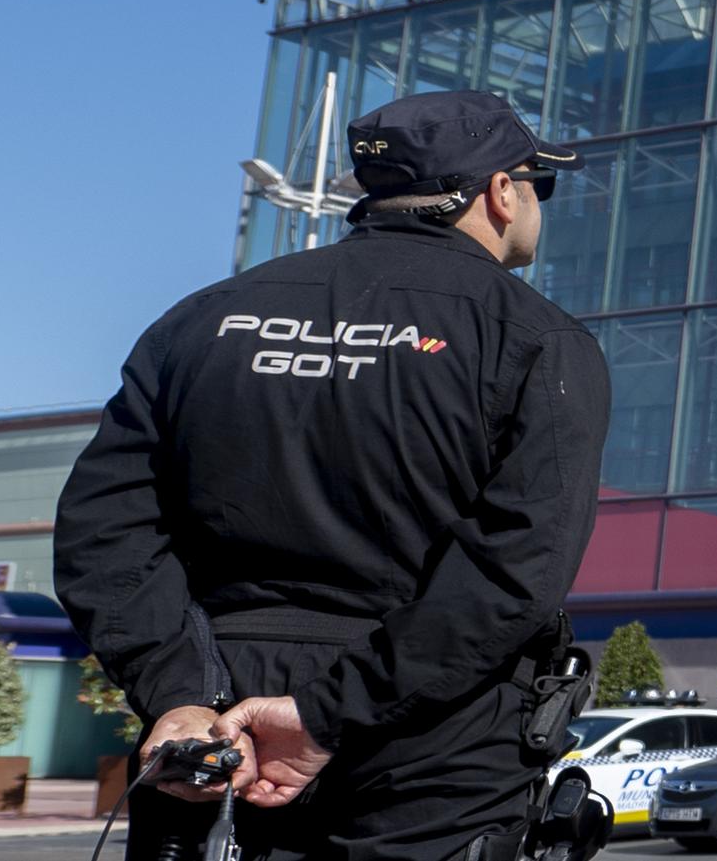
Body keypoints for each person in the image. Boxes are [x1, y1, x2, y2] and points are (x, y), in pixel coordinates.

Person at [54, 89, 612, 861]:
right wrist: (325, 712)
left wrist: (179, 693)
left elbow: (102, 528)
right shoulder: (537, 340)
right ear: (499, 191)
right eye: (537, 184)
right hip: (432, 743)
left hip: (219, 725)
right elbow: (515, 571)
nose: (537, 204)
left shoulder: (205, 318)